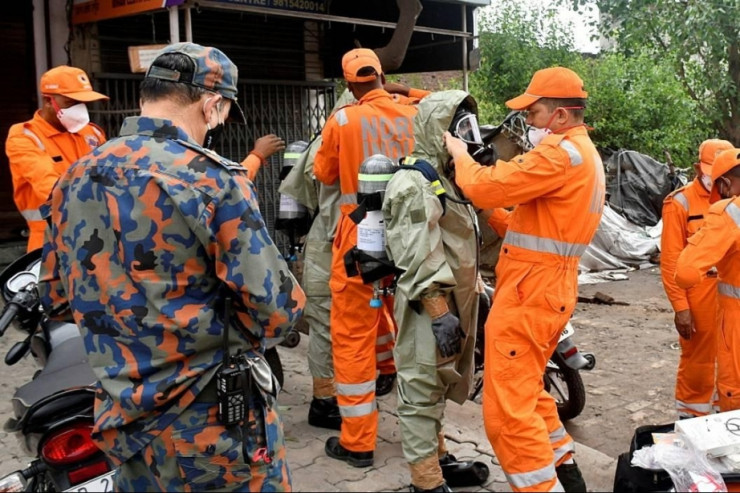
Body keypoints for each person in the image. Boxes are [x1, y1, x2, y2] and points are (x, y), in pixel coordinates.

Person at [38, 42, 305, 492]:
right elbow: (279, 309)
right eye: (220, 115)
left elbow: (56, 299)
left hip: (121, 421)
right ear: (212, 104)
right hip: (208, 422)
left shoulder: (75, 176)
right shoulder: (211, 178)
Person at [443, 66, 604, 492]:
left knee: (506, 413)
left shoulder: (557, 155)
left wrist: (460, 156)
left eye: (533, 112)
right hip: (548, 287)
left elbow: (486, 186)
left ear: (561, 116)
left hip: (530, 293)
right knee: (528, 388)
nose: (528, 122)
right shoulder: (582, 154)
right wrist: (492, 214)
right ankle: (566, 473)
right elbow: (535, 223)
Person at [312, 48, 421, 466]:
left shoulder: (342, 119)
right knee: (406, 325)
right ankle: (419, 424)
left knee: (353, 334)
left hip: (359, 235)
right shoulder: (412, 114)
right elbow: (441, 106)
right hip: (409, 237)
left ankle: (358, 443)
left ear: (348, 84)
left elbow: (323, 173)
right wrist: (404, 90)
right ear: (380, 75)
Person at [383, 90, 490, 492]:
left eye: (469, 128)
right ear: (437, 130)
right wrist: (438, 308)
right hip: (429, 307)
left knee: (441, 381)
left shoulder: (445, 179)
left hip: (453, 304)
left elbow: (460, 241)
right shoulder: (414, 183)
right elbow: (416, 253)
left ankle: (439, 457)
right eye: (459, 130)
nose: (466, 138)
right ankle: (426, 481)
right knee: (421, 388)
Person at [661, 138, 732, 418]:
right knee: (698, 362)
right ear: (697, 167)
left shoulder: (733, 201)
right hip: (698, 298)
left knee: (728, 359)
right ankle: (691, 417)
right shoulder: (680, 203)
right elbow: (670, 262)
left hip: (729, 298)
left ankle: (721, 416)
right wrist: (681, 308)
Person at [5, 65, 108, 252]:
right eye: (71, 103)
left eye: (82, 103)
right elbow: (52, 188)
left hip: (98, 236)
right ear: (47, 101)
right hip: (50, 242)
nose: (79, 109)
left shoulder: (91, 133)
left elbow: (112, 176)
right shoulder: (24, 137)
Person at [676, 147, 740, 413]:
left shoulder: (729, 213)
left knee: (734, 393)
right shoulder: (680, 201)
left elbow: (685, 272)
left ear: (724, 183)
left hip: (735, 321)